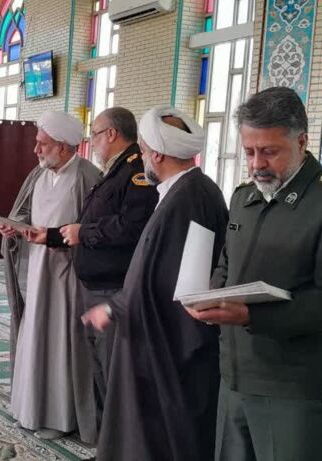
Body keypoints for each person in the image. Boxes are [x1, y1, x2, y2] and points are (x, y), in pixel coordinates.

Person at [185, 87, 322, 461]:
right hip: (236, 374)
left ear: (301, 142)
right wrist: (210, 296)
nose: (257, 164)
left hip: (294, 385)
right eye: (249, 152)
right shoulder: (244, 197)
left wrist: (250, 315)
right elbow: (227, 264)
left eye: (269, 152)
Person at [82, 106, 226, 460]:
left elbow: (170, 278)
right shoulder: (186, 190)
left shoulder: (189, 198)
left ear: (157, 154)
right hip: (162, 333)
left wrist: (115, 307)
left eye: (144, 151)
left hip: (168, 344)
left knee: (159, 434)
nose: (143, 157)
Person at [33, 107, 157, 425]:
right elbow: (89, 223)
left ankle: (120, 440)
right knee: (100, 366)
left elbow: (131, 228)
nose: (93, 141)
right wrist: (49, 236)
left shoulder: (135, 171)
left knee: (114, 368)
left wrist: (82, 233)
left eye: (96, 134)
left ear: (111, 134)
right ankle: (106, 436)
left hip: (113, 287)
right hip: (95, 285)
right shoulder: (114, 171)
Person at [0, 110, 101, 442]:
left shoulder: (87, 176)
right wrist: (13, 227)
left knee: (61, 344)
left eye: (42, 144)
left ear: (64, 146)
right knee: (36, 339)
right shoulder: (38, 174)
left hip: (69, 277)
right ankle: (31, 410)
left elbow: (95, 231)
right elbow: (24, 214)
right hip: (38, 271)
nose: (36, 150)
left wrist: (58, 238)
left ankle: (61, 417)